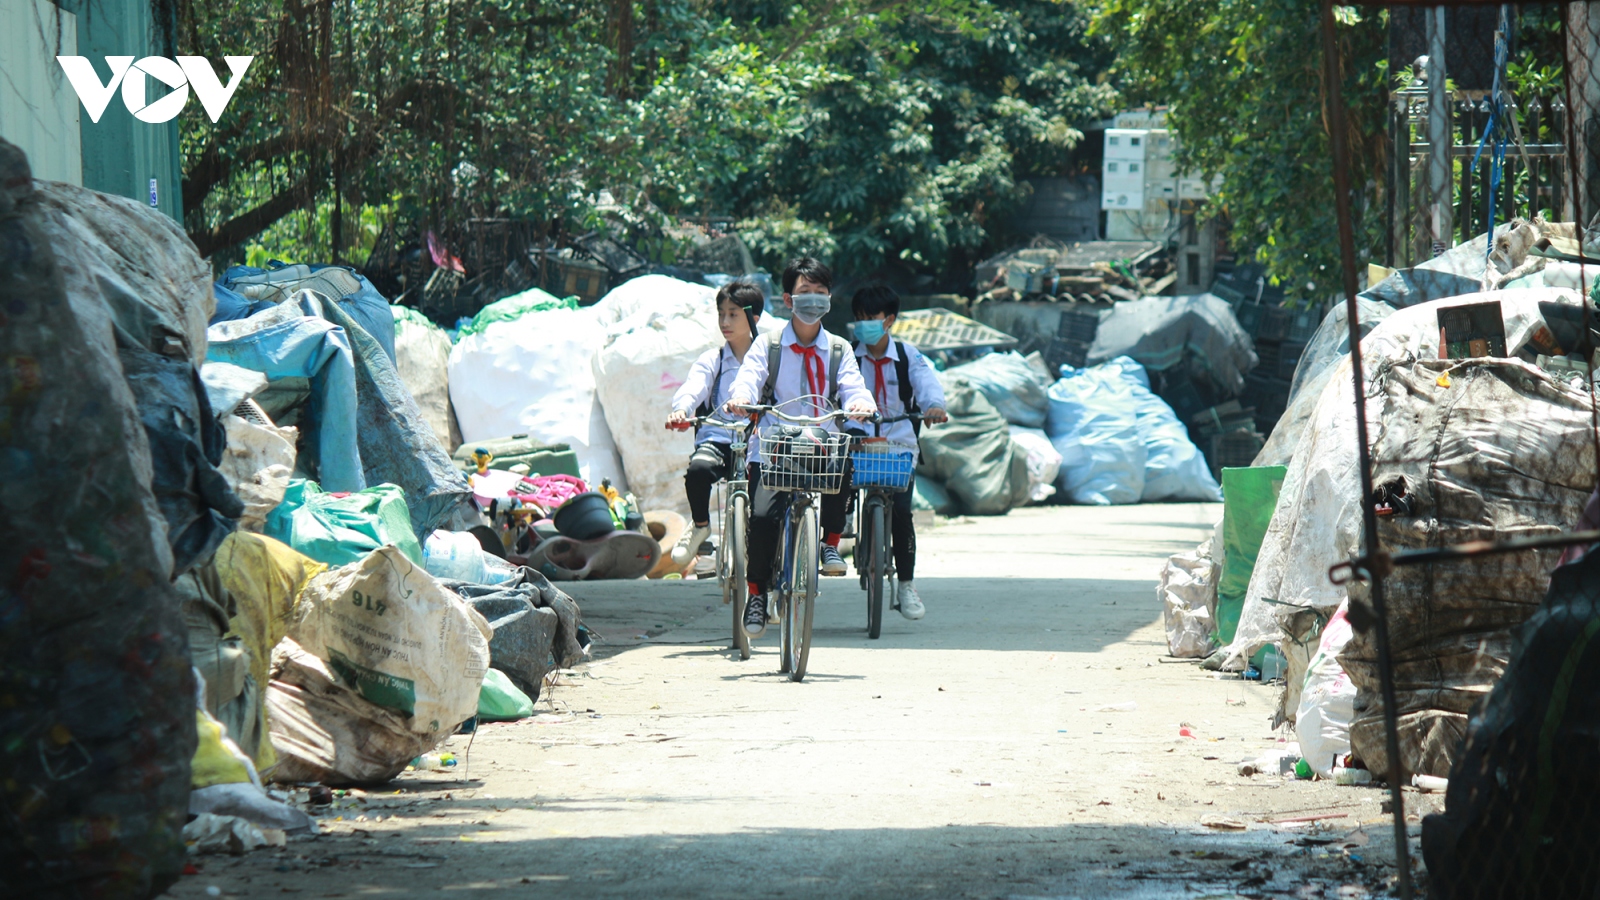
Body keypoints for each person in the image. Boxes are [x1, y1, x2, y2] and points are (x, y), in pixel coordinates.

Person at [725, 257, 876, 636]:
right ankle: (757, 593)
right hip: (775, 445)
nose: (813, 300)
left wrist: (862, 403)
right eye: (804, 293)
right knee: (761, 517)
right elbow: (748, 378)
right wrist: (740, 398)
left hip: (819, 442)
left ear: (829, 298)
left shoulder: (839, 348)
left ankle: (829, 542)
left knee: (844, 460)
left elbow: (853, 385)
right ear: (788, 299)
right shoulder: (769, 345)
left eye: (820, 293)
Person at [849, 284, 947, 620]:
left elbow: (927, 384)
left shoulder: (908, 356)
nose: (864, 326)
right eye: (859, 319)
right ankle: (842, 527)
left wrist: (934, 406)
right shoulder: (847, 355)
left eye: (871, 318)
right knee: (839, 479)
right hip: (858, 441)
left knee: (903, 513)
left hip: (899, 444)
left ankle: (906, 586)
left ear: (889, 320)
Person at [665, 281, 765, 566]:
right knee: (698, 470)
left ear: (753, 317)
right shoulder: (714, 359)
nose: (724, 321)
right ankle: (699, 526)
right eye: (721, 314)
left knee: (769, 503)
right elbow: (693, 387)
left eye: (733, 314)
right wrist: (681, 410)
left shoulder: (771, 357)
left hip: (760, 443)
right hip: (719, 439)